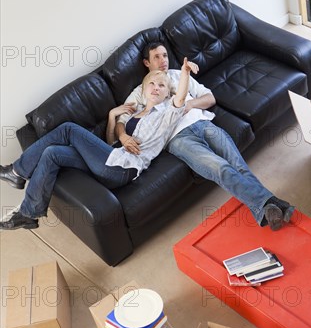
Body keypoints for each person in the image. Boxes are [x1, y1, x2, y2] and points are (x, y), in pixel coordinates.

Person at [109, 42, 295, 231]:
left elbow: (210, 98)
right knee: (220, 167)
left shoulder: (179, 75)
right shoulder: (143, 89)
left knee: (238, 165)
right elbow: (122, 120)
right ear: (146, 63)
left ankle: (268, 209)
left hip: (203, 124)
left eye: (165, 55)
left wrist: (190, 105)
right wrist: (123, 136)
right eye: (156, 57)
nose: (163, 60)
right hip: (179, 139)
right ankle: (274, 204)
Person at [0, 61, 197, 230]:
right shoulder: (133, 115)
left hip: (122, 169)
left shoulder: (166, 115)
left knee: (68, 129)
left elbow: (179, 100)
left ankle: (16, 172)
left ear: (166, 93)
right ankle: (29, 213)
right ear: (144, 90)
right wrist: (113, 116)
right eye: (151, 84)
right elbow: (110, 141)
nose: (156, 87)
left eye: (161, 85)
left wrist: (185, 73)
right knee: (52, 153)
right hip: (110, 158)